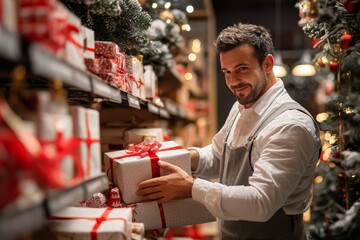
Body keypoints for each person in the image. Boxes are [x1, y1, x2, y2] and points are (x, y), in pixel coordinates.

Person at [136, 23, 322, 240]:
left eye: (242, 68)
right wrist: (183, 157)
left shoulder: (290, 125)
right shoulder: (241, 106)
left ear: (268, 64)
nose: (233, 82)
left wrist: (192, 188)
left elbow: (261, 202)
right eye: (227, 72)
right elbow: (217, 155)